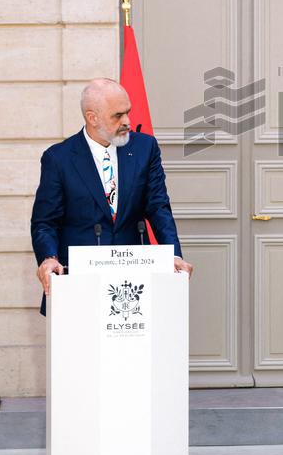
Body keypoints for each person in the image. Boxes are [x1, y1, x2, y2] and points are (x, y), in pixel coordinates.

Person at [31, 78, 192, 314]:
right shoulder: (58, 158)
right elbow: (45, 222)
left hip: (134, 285)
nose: (127, 121)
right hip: (79, 284)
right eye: (118, 115)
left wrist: (173, 254)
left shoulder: (145, 148)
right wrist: (48, 258)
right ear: (92, 117)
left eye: (128, 112)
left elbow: (158, 208)